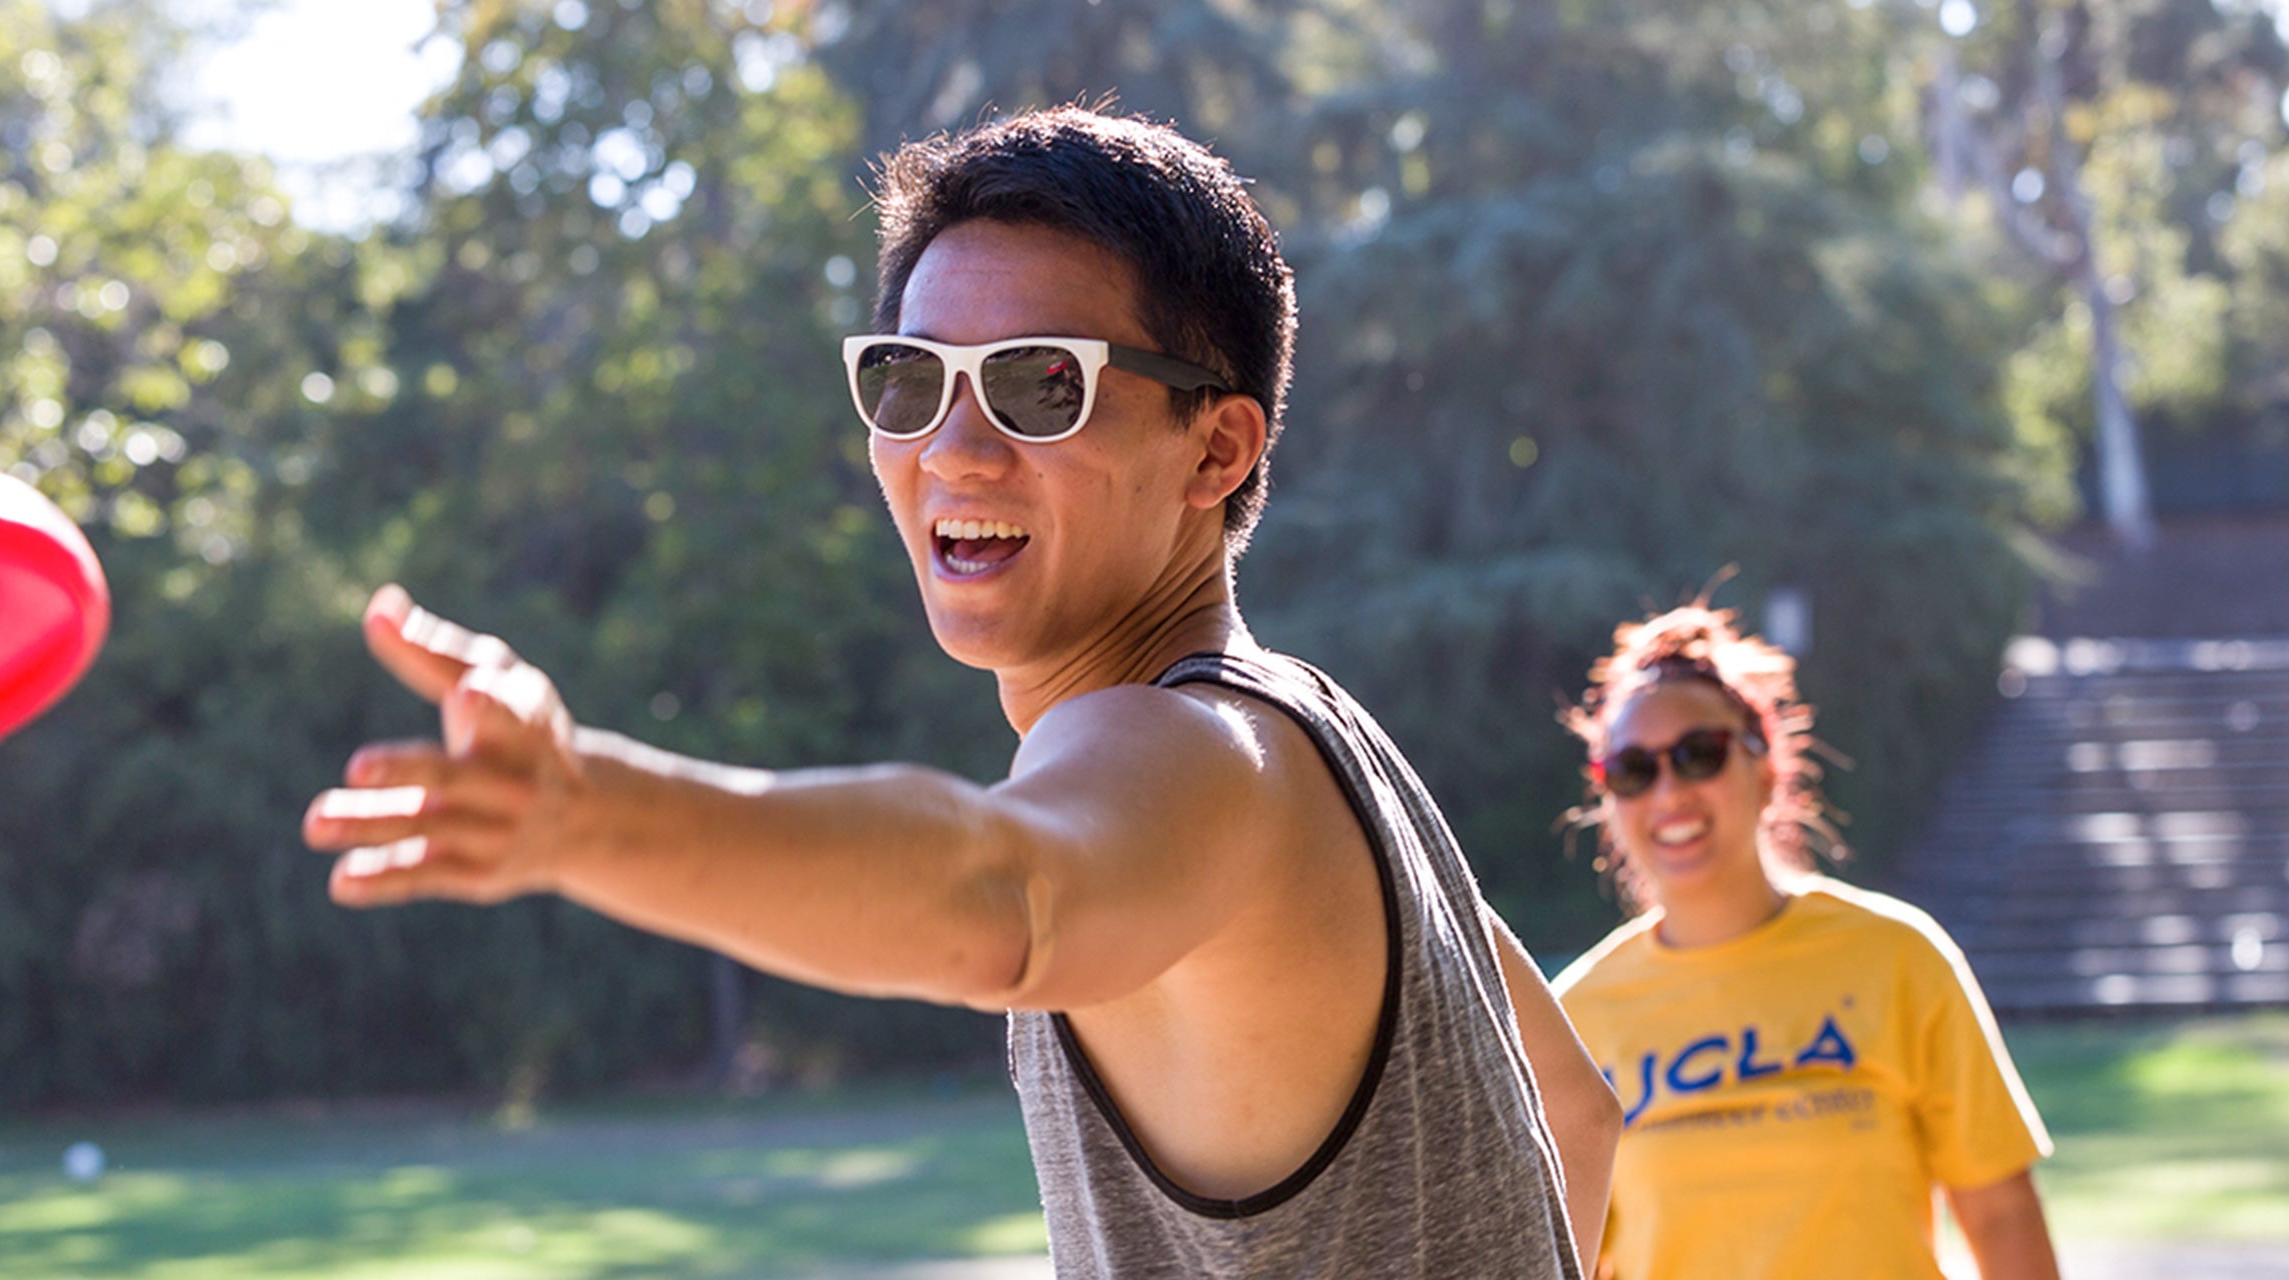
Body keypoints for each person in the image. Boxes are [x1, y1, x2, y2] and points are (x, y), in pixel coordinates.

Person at [300, 106, 1616, 1277]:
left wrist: (589, 814)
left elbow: (1003, 896)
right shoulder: (1327, 748)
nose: (953, 447)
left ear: (1215, 447)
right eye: (907, 378)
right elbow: (1575, 1107)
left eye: (1044, 385)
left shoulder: (1201, 752)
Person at [1549, 604, 2061, 1280]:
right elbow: (1559, 1258)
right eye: (1634, 769)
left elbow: (2001, 1216)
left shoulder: (1898, 957)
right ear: (1606, 797)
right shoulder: (1570, 1019)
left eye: (1699, 755)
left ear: (1764, 766)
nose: (1669, 791)